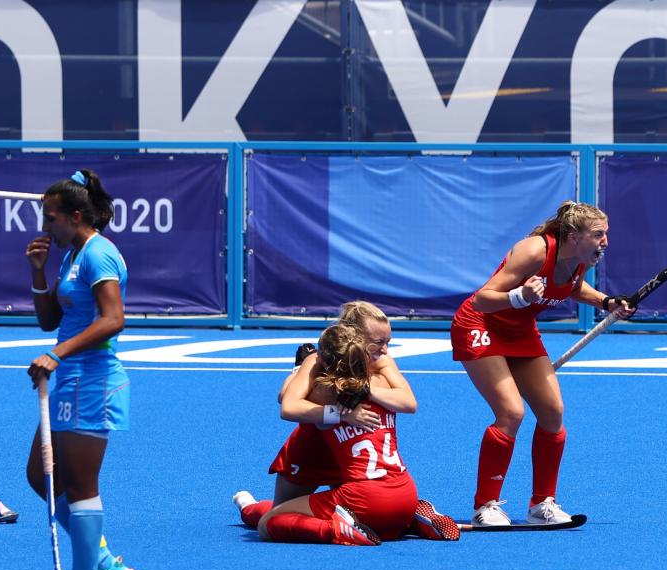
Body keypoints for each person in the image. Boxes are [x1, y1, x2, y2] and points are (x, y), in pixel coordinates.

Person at [450, 200, 634, 527]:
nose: (605, 241)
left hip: (519, 330)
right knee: (511, 412)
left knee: (552, 413)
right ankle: (485, 506)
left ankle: (541, 505)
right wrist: (518, 297)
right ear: (573, 236)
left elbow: (574, 287)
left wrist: (606, 302)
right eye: (598, 234)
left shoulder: (581, 260)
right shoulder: (535, 251)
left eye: (606, 234)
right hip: (480, 324)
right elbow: (482, 298)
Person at [235, 301, 460, 541]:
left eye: (388, 342)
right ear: (354, 337)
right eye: (378, 342)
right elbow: (287, 402)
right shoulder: (322, 361)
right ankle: (409, 518)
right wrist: (340, 411)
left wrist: (363, 390)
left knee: (275, 521)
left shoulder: (349, 374)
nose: (385, 350)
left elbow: (409, 403)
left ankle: (345, 527)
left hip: (351, 464)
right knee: (288, 511)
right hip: (316, 450)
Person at [24, 170, 134, 570]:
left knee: (81, 484)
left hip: (93, 378)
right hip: (71, 376)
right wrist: (37, 273)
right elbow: (50, 319)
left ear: (74, 216)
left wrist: (57, 354)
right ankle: (104, 563)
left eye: (50, 218)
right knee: (42, 478)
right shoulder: (71, 255)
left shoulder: (99, 254)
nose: (44, 226)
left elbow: (113, 319)